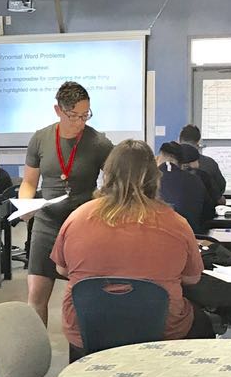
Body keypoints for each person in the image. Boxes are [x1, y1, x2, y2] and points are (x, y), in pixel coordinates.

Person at [51, 140, 207, 361]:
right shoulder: (177, 223)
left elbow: (62, 269)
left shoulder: (77, 218)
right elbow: (192, 278)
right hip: (161, 331)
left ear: (107, 175)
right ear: (155, 176)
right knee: (201, 321)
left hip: (87, 329)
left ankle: (81, 374)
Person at [18, 81, 114, 325]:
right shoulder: (40, 139)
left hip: (83, 226)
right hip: (47, 224)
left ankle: (82, 343)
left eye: (85, 115)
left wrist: (101, 199)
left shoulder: (99, 143)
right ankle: (37, 346)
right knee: (36, 295)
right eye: (74, 116)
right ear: (58, 110)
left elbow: (115, 182)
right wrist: (25, 204)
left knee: (84, 294)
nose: (80, 121)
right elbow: (29, 182)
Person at [157, 142, 212, 236]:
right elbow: (208, 212)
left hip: (156, 237)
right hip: (192, 237)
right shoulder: (196, 180)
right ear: (181, 164)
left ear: (159, 158)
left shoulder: (148, 181)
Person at [179, 124, 226, 205]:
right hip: (205, 209)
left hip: (175, 210)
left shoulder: (170, 164)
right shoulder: (210, 163)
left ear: (179, 141)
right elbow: (221, 187)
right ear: (198, 142)